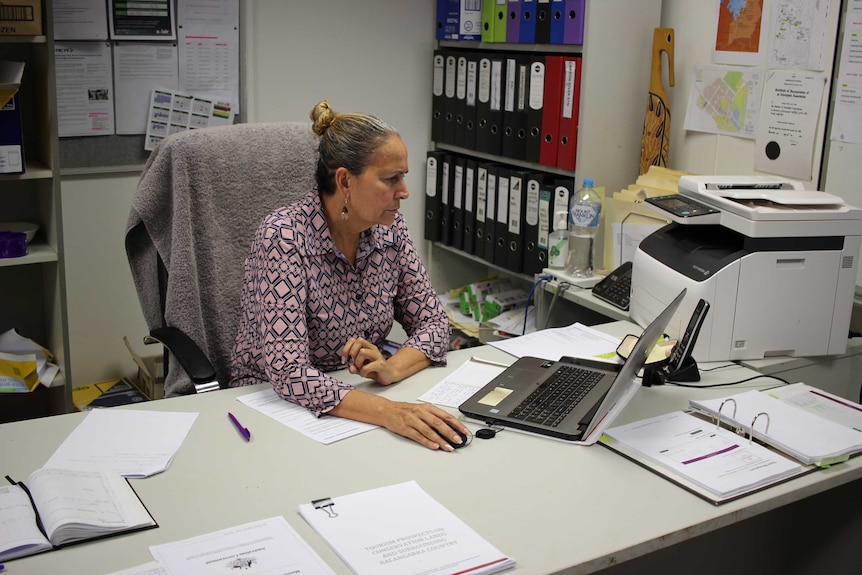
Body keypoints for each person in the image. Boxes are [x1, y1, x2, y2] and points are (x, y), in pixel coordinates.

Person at [230, 100, 469, 451]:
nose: (404, 191)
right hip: (273, 407)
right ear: (344, 180)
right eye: (392, 179)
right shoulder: (283, 237)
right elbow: (288, 371)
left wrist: (393, 368)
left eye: (403, 177)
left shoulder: (390, 229)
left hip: (356, 400)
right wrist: (389, 412)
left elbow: (434, 324)